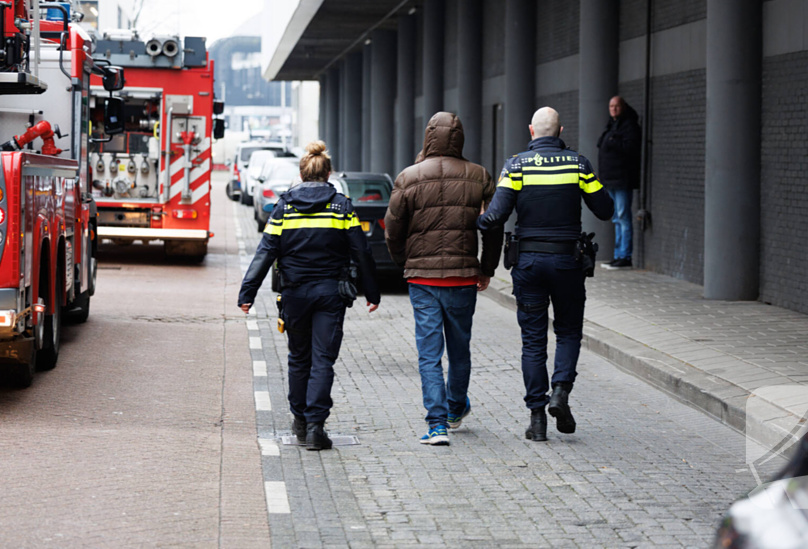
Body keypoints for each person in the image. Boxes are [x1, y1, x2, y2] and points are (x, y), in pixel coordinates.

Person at [478, 107, 613, 441]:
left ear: (532, 130)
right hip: (568, 262)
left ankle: (537, 420)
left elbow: (495, 217)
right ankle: (561, 393)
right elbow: (606, 209)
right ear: (560, 130)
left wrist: (474, 220)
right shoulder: (578, 164)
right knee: (568, 332)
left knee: (533, 342)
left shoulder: (516, 165)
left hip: (528, 264)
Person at [238, 141, 380, 451]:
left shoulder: (284, 206)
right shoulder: (341, 206)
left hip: (294, 295)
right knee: (322, 360)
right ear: (328, 174)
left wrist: (247, 293)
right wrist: (372, 292)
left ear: (302, 174)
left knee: (298, 358)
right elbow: (361, 251)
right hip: (330, 294)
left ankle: (300, 421)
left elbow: (266, 251)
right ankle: (316, 426)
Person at [384, 112, 503, 446]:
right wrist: (487, 268)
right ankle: (454, 410)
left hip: (423, 279)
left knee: (429, 353)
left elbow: (392, 230)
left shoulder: (408, 177)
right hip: (463, 277)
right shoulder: (479, 176)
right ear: (460, 138)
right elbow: (494, 228)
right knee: (460, 349)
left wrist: (405, 263)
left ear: (428, 137)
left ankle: (436, 425)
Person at [597, 95, 642, 269]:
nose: (613, 109)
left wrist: (612, 142)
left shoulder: (629, 126)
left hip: (622, 179)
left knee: (623, 217)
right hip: (611, 180)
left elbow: (630, 149)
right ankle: (618, 255)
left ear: (623, 107)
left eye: (617, 106)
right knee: (617, 218)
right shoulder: (611, 125)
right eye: (611, 106)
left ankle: (625, 256)